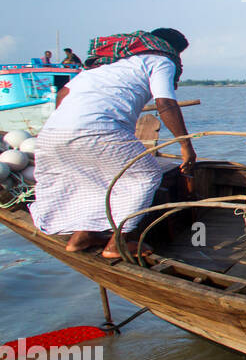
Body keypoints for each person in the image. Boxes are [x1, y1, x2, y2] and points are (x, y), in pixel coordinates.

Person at [30, 28, 196, 259]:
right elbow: (165, 103)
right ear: (172, 50)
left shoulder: (106, 66)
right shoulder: (161, 61)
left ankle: (82, 236)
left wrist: (70, 126)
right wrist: (186, 145)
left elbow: (63, 94)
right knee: (146, 175)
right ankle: (119, 242)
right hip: (98, 130)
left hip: (52, 134)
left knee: (95, 177)